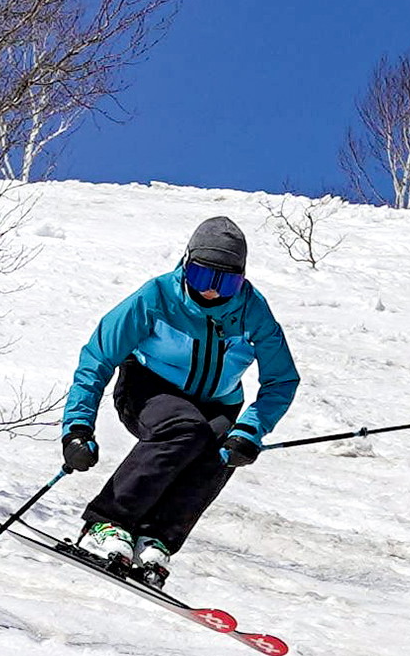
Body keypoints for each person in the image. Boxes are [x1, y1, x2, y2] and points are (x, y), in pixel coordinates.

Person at [60, 216, 300, 585]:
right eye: (202, 277)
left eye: (226, 282)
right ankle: (108, 522)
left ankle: (157, 538)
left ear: (242, 278)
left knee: (222, 446)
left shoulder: (253, 311)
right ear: (186, 264)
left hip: (219, 403)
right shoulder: (156, 297)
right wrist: (77, 427)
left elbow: (281, 379)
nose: (211, 291)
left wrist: (251, 430)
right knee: (184, 428)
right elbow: (99, 356)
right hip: (148, 388)